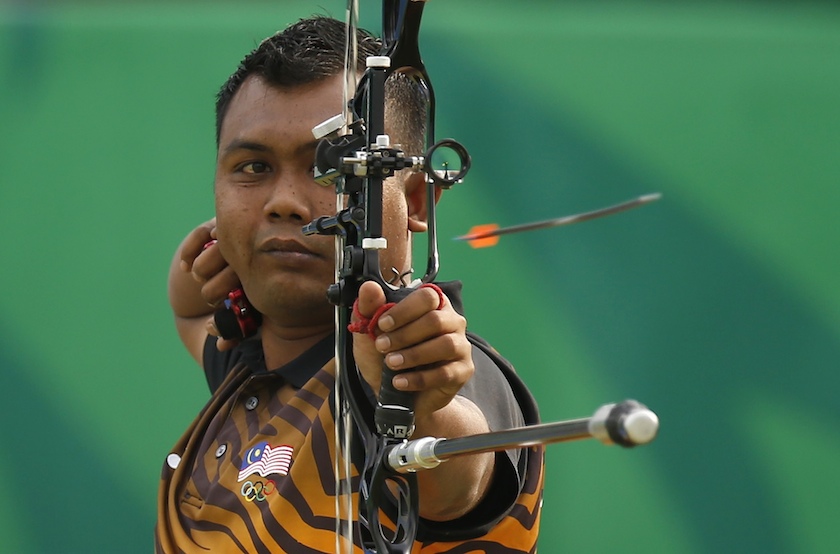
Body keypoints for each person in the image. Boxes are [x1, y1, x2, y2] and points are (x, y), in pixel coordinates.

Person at [157, 15, 543, 553]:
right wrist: (204, 257)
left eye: (333, 169)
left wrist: (417, 404)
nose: (283, 201)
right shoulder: (252, 361)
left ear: (414, 200)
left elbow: (454, 480)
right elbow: (191, 316)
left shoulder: (428, 364)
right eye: (252, 167)